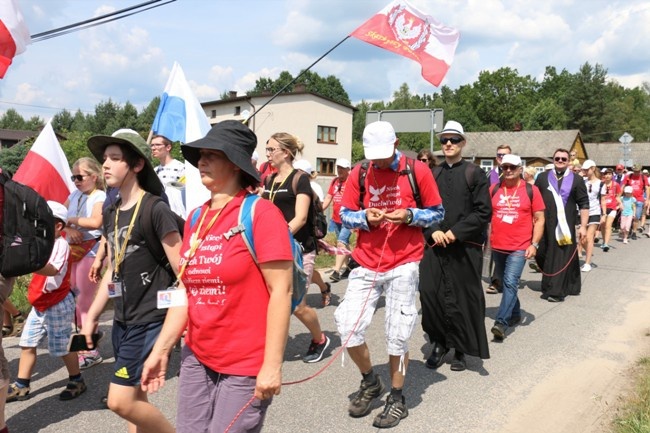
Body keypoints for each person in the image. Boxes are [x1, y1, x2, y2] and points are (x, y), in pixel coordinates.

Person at [141, 120, 293, 433]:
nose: (202, 161)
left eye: (213, 154)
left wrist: (272, 365)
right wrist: (161, 349)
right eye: (200, 155)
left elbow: (282, 291)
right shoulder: (196, 217)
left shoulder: (261, 214)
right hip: (196, 354)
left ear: (236, 164)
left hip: (245, 362)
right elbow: (186, 290)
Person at [335, 121, 444, 429]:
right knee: (346, 325)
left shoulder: (416, 170)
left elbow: (438, 212)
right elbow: (344, 215)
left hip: (404, 262)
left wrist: (410, 215)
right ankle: (371, 382)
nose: (379, 161)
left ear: (396, 143)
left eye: (384, 154)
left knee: (397, 333)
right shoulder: (359, 172)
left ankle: (397, 398)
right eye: (373, 156)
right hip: (367, 262)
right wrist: (364, 218)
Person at [81, 128, 181, 433]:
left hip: (150, 318)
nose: (106, 165)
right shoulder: (111, 212)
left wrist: (176, 328)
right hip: (124, 317)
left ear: (137, 165)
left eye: (115, 158)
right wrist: (93, 315)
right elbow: (115, 268)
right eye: (104, 159)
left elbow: (185, 273)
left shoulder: (155, 209)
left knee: (120, 401)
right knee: (136, 400)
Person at [419, 120, 492, 372]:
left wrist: (455, 232)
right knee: (430, 293)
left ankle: (460, 349)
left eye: (454, 140)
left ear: (463, 143)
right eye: (444, 140)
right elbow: (424, 209)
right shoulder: (433, 174)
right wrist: (433, 230)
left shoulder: (475, 173)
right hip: (435, 245)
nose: (448, 144)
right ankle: (439, 342)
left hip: (463, 247)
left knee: (462, 297)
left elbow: (483, 212)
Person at [6, 201, 87, 402]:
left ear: (58, 226)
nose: (35, 226)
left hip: (57, 302)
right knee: (27, 343)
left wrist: (29, 263)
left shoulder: (60, 245)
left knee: (62, 347)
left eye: (40, 223)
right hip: (40, 304)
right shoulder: (40, 243)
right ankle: (21, 385)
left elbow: (52, 269)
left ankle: (76, 380)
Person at [262, 133, 330, 363]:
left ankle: (320, 339)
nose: (268, 154)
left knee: (298, 305)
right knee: (270, 299)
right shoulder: (269, 181)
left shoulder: (300, 179)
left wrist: (277, 238)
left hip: (300, 249)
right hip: (274, 250)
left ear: (286, 152)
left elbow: (300, 218)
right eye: (267, 149)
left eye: (272, 149)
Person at [488, 155, 545, 340]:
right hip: (497, 245)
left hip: (519, 247)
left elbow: (540, 219)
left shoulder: (531, 190)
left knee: (511, 282)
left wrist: (534, 244)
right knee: (506, 283)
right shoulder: (494, 189)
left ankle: (501, 323)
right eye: (505, 167)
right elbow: (483, 213)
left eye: (512, 167)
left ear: (520, 169)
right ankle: (515, 313)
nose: (509, 170)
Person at [64, 157, 106, 369]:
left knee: (84, 303)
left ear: (93, 177)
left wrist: (71, 221)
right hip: (73, 250)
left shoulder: (100, 195)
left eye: (79, 177)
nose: (76, 181)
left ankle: (90, 350)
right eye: (73, 177)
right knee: (74, 301)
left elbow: (96, 222)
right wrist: (68, 227)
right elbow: (59, 218)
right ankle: (86, 343)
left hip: (92, 250)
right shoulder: (73, 195)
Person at [534, 148, 589, 302]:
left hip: (564, 226)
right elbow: (534, 199)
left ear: (568, 161)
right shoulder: (543, 178)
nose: (560, 161)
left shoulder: (577, 180)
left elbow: (584, 204)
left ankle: (556, 291)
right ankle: (561, 284)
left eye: (563, 159)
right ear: (553, 159)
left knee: (559, 256)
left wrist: (583, 226)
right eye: (557, 158)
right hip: (544, 224)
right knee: (542, 253)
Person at [293, 159, 331, 306]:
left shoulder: (313, 187)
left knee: (304, 272)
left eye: (299, 172)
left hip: (307, 236)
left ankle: (301, 306)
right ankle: (324, 287)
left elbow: (319, 209)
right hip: (292, 235)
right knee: (306, 270)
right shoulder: (288, 184)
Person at [485, 144, 512, 294]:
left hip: (510, 219)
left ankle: (498, 281)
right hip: (492, 218)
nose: (502, 158)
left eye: (505, 155)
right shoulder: (490, 175)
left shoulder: (515, 173)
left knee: (506, 251)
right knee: (491, 249)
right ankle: (495, 277)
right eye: (500, 155)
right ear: (496, 158)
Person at [322, 158, 352, 283]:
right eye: (338, 167)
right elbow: (329, 197)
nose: (339, 170)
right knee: (343, 244)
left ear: (348, 170)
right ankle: (352, 265)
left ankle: (336, 271)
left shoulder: (352, 182)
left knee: (341, 243)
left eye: (342, 168)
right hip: (336, 218)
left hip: (349, 217)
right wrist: (319, 210)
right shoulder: (334, 181)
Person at [580, 160, 602, 272]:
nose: (584, 171)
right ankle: (589, 251)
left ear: (593, 169)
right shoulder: (581, 181)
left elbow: (603, 200)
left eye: (586, 169)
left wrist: (604, 214)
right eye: (583, 169)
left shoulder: (600, 183)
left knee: (589, 237)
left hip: (595, 212)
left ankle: (587, 263)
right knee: (581, 239)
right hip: (582, 212)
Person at [622, 164, 650, 239]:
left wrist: (647, 199)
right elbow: (623, 186)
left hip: (639, 199)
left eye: (637, 171)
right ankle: (629, 229)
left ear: (640, 170)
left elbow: (647, 188)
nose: (636, 173)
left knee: (636, 216)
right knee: (628, 215)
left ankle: (634, 232)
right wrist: (618, 196)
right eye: (635, 171)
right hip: (629, 199)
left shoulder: (643, 178)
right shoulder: (629, 176)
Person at [599, 168, 622, 252]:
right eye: (606, 174)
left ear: (612, 175)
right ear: (603, 175)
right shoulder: (601, 184)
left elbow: (618, 196)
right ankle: (604, 240)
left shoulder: (616, 185)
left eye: (609, 174)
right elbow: (600, 198)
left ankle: (606, 244)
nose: (608, 176)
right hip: (602, 207)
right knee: (603, 226)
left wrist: (620, 203)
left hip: (612, 207)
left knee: (608, 225)